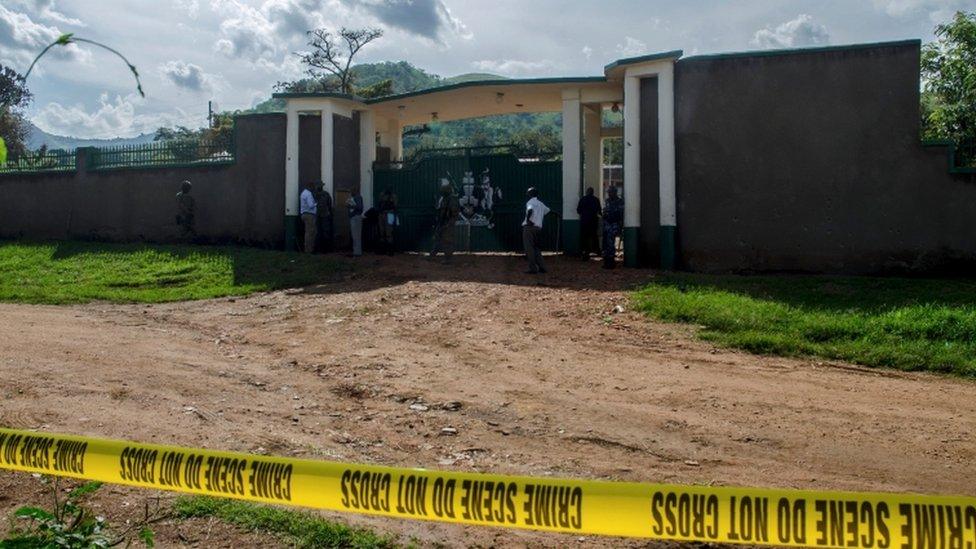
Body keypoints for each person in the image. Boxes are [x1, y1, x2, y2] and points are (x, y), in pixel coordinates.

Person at [430, 180, 460, 262]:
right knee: (438, 238)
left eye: (443, 190)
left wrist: (449, 223)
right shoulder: (444, 199)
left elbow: (454, 214)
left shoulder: (451, 200)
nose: (442, 191)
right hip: (442, 222)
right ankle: (433, 254)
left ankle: (448, 258)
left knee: (447, 240)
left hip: (448, 223)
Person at [522, 187, 550, 274]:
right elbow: (548, 211)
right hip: (538, 228)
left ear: (529, 194)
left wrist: (528, 220)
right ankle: (543, 267)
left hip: (529, 228)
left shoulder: (530, 202)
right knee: (536, 248)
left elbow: (530, 210)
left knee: (529, 248)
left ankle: (533, 268)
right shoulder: (541, 204)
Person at [602, 185, 624, 269]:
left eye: (610, 192)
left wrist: (619, 225)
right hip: (607, 224)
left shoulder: (619, 201)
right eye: (608, 192)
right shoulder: (607, 201)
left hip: (614, 224)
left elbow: (620, 214)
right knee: (606, 243)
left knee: (611, 243)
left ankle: (611, 262)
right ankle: (606, 261)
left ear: (615, 192)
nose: (609, 194)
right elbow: (605, 210)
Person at [576, 187, 601, 259]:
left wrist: (584, 214)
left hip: (584, 221)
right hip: (593, 221)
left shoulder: (583, 199)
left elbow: (578, 210)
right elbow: (599, 211)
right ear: (593, 192)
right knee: (594, 237)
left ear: (587, 192)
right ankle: (597, 251)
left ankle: (585, 252)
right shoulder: (596, 200)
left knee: (584, 237)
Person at [377, 187, 398, 255]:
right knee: (381, 233)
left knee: (389, 233)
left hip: (389, 214)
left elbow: (395, 206)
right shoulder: (382, 195)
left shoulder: (393, 196)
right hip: (382, 214)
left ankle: (390, 251)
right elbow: (380, 204)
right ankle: (383, 250)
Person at [314, 182, 333, 253]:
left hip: (322, 215)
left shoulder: (316, 194)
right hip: (322, 215)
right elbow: (330, 205)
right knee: (322, 232)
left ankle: (324, 249)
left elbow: (329, 205)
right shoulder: (324, 194)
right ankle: (324, 249)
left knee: (323, 232)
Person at [299, 181, 317, 253]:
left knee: (309, 232)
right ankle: (309, 250)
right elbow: (311, 205)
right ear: (310, 186)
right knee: (310, 232)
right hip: (309, 215)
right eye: (313, 187)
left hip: (304, 214)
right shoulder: (309, 194)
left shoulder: (303, 193)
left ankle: (308, 249)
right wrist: (316, 203)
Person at [346, 188, 364, 257]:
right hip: (354, 217)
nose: (350, 193)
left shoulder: (358, 197)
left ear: (355, 191)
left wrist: (350, 206)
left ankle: (357, 252)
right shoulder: (353, 197)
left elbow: (360, 207)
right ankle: (356, 251)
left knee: (356, 235)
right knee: (355, 235)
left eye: (352, 191)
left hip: (356, 217)